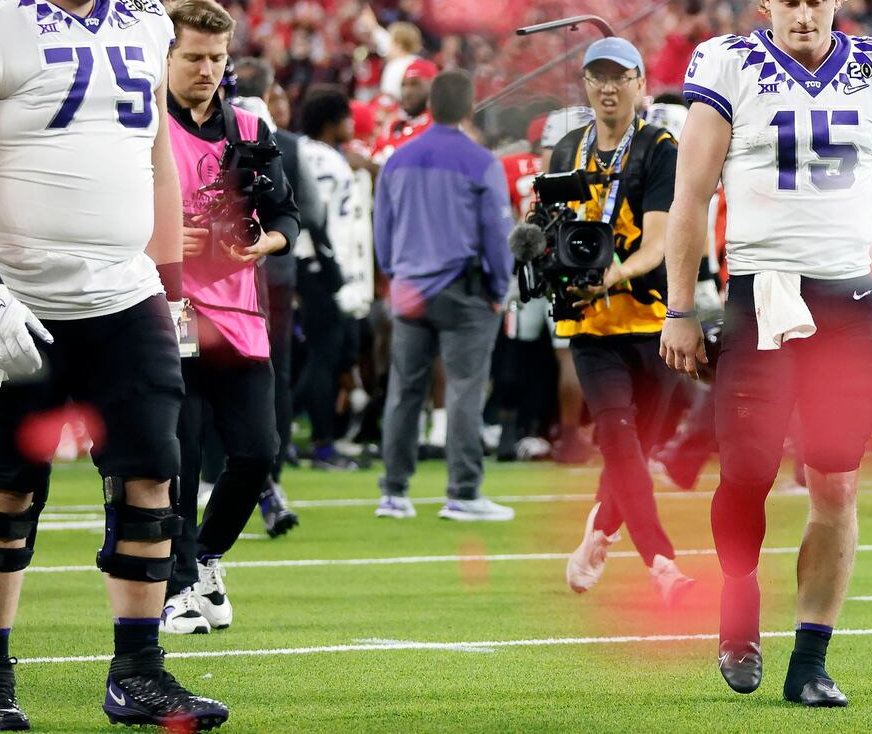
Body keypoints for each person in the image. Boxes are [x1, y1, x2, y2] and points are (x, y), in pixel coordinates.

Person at [0, 0, 227, 730]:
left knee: (151, 485)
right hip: (16, 296)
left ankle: (139, 673)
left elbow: (157, 164)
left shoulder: (143, 18)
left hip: (124, 295)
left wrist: (169, 287)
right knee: (4, 495)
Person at [661, 0, 872, 706]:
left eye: (817, 0)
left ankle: (810, 660)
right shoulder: (726, 63)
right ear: (765, 3)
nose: (805, 15)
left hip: (851, 296)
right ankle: (738, 598)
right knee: (746, 471)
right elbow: (689, 199)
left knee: (836, 484)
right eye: (790, 2)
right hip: (762, 292)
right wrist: (681, 309)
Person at [155, 0, 298, 637]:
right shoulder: (141, 126)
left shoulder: (249, 130)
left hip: (240, 315)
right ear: (166, 56)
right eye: (192, 57)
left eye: (216, 57)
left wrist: (264, 241)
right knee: (179, 456)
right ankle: (176, 585)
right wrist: (157, 235)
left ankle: (206, 558)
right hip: (170, 311)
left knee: (256, 453)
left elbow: (289, 215)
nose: (206, 69)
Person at [549, 37, 694, 605]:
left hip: (651, 319)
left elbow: (656, 245)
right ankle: (663, 565)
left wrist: (606, 276)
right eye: (596, 77)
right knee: (616, 433)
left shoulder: (660, 147)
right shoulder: (566, 149)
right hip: (589, 327)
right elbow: (548, 225)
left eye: (619, 76)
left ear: (639, 82)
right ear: (585, 84)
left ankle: (603, 528)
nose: (607, 87)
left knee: (637, 446)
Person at [372, 69, 515, 521]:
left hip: (410, 289)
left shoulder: (397, 159)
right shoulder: (481, 161)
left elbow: (382, 231)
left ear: (430, 106)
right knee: (464, 391)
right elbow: (496, 232)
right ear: (471, 109)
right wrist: (499, 287)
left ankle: (393, 493)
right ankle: (464, 493)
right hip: (464, 289)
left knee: (404, 391)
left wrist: (397, 276)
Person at [232, 56, 309, 532]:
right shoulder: (287, 143)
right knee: (268, 376)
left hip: (215, 273)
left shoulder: (204, 127)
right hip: (270, 278)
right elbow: (304, 211)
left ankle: (225, 474)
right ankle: (270, 476)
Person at [294, 86, 376, 469]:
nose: (351, 124)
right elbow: (316, 218)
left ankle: (314, 439)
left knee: (331, 356)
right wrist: (329, 265)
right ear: (330, 121)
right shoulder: (321, 160)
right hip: (321, 268)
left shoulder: (324, 155)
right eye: (345, 117)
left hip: (324, 269)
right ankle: (322, 444)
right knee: (323, 358)